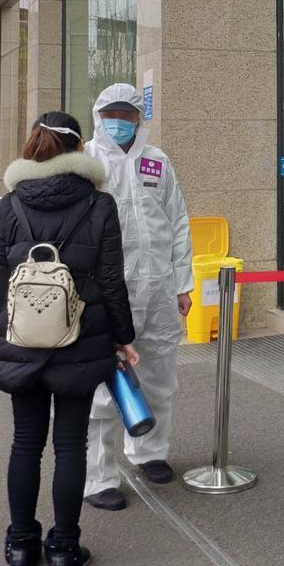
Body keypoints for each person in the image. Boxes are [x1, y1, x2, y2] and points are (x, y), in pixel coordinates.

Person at [0, 112, 139, 566]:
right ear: (78, 149)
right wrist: (124, 339)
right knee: (70, 444)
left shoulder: (11, 203)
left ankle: (21, 545)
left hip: (22, 337)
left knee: (25, 443)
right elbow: (111, 281)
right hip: (82, 338)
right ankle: (65, 548)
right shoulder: (99, 204)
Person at [83, 83, 192, 508]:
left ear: (139, 118)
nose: (121, 122)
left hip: (159, 286)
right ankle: (99, 477)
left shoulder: (157, 161)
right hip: (109, 291)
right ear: (99, 115)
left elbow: (178, 220)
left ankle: (149, 452)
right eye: (113, 113)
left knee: (160, 377)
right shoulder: (88, 162)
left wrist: (183, 282)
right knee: (102, 387)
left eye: (129, 114)